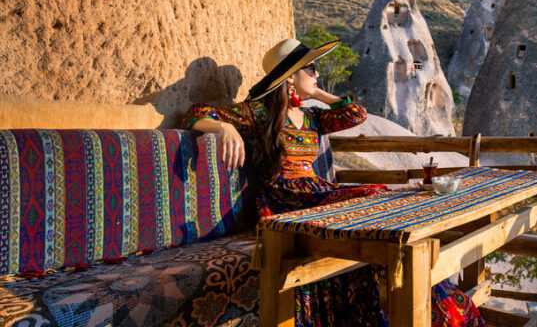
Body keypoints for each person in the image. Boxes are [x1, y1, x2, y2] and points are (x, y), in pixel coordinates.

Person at [181, 38, 486, 327]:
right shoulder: (259, 114)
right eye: (310, 69)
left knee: (382, 199)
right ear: (289, 76)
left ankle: (432, 297)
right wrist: (224, 127)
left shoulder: (313, 116)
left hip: (317, 192)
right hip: (285, 199)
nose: (317, 73)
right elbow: (195, 114)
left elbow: (355, 114)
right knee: (373, 195)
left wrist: (315, 93)